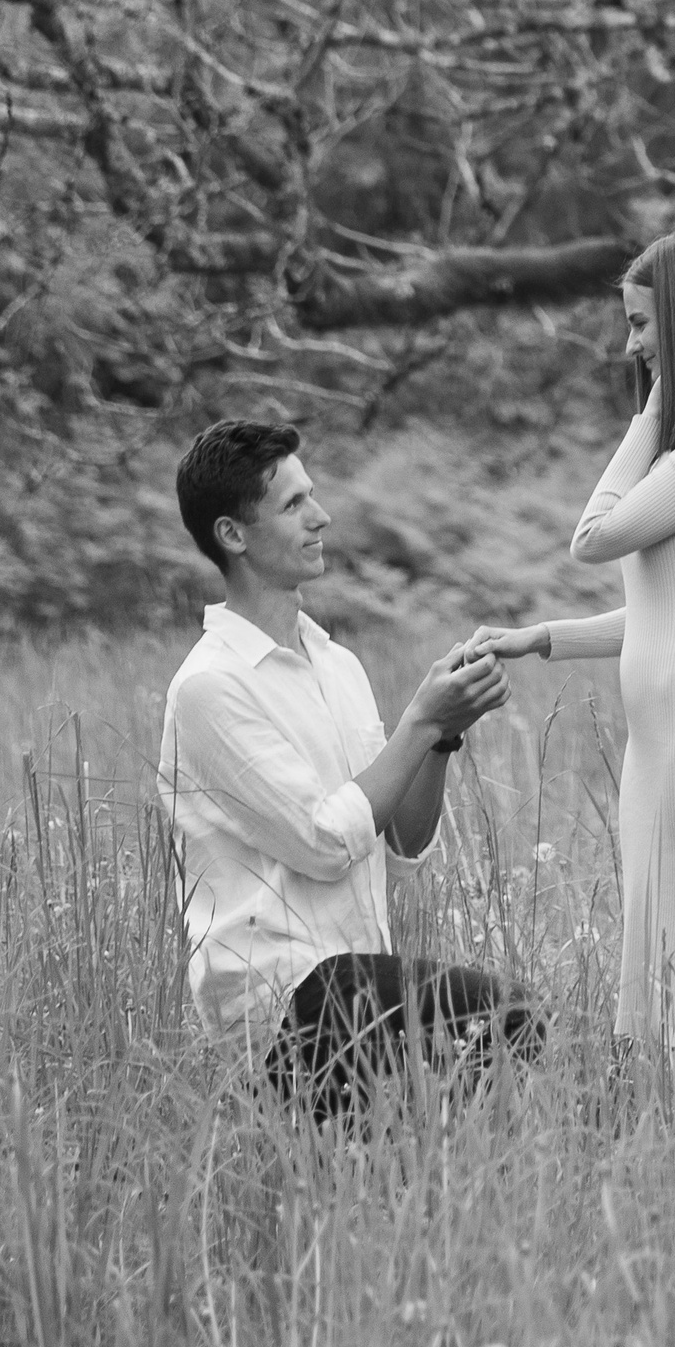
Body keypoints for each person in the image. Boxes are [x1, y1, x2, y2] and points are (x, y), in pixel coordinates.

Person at [469, 231, 675, 1072]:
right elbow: (668, 612)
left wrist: (651, 412)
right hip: (671, 745)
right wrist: (546, 639)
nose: (631, 347)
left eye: (642, 324)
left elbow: (594, 535)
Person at [160, 418, 539, 1122]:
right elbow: (326, 843)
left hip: (357, 978)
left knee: (456, 1110)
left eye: (312, 495)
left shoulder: (340, 667)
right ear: (233, 535)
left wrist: (441, 737)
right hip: (280, 1000)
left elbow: (401, 845)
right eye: (293, 504)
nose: (320, 516)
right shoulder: (211, 687)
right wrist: (418, 721)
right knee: (507, 1013)